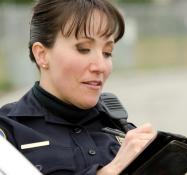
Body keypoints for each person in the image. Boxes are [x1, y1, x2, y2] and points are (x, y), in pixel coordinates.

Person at [0, 0, 156, 175]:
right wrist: (111, 170)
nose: (101, 66)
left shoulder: (120, 127)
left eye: (107, 53)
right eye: (83, 49)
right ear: (42, 55)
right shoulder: (8, 132)